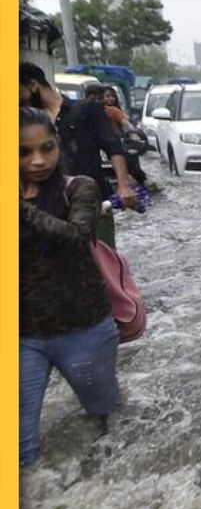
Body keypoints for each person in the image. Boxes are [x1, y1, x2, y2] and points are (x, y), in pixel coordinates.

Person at [18, 107, 121, 467]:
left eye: (47, 148)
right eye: (23, 152)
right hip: (21, 337)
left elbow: (76, 238)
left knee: (106, 421)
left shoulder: (78, 188)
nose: (37, 161)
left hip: (84, 329)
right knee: (20, 446)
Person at [19, 63, 136, 247]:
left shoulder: (86, 110)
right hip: (45, 206)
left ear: (32, 85)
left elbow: (113, 146)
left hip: (93, 203)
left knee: (98, 260)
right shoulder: (25, 123)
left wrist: (123, 185)